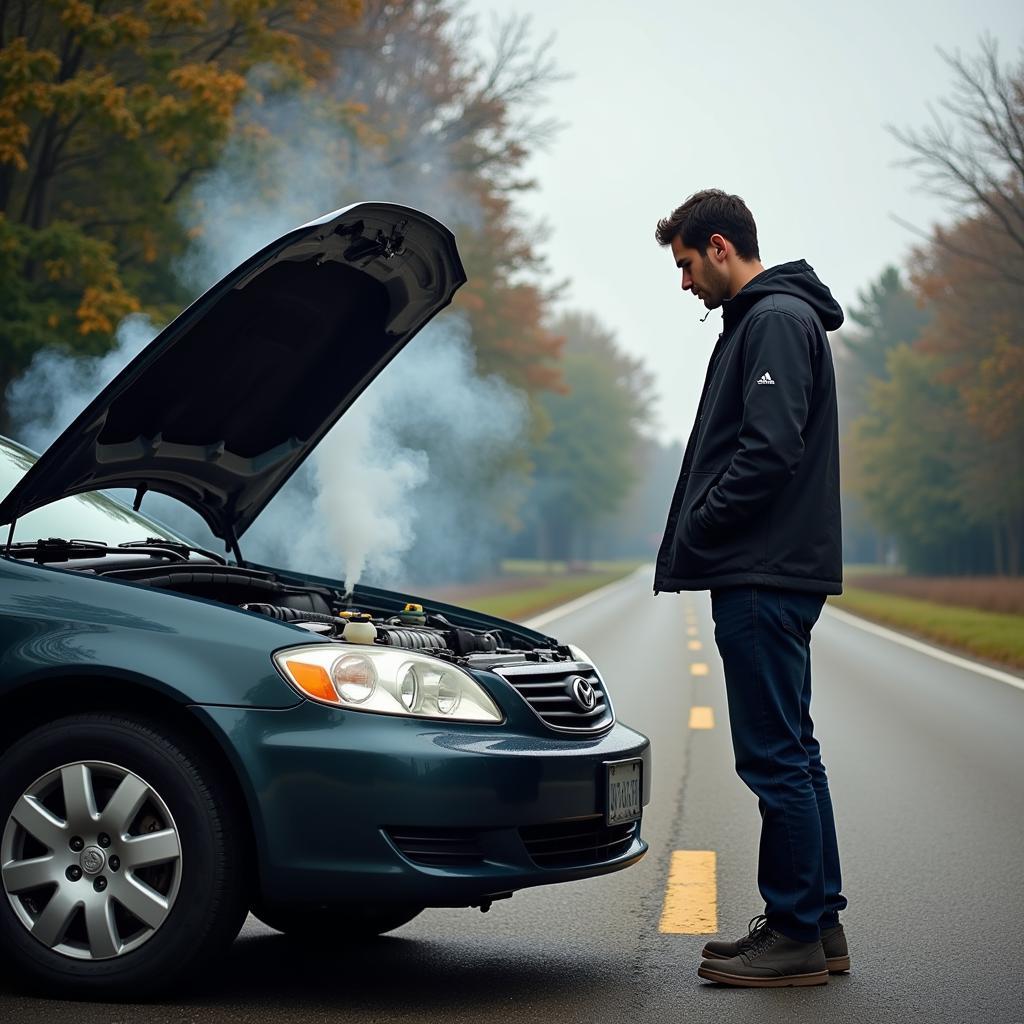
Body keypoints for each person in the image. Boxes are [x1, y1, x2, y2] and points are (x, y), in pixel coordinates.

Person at [653, 189, 849, 988]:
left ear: (721, 246)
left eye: (687, 263)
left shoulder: (771, 320)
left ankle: (796, 933)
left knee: (773, 757)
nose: (685, 281)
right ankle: (819, 923)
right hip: (773, 568)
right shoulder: (769, 319)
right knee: (795, 752)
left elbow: (768, 451)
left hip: (762, 571)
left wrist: (702, 527)